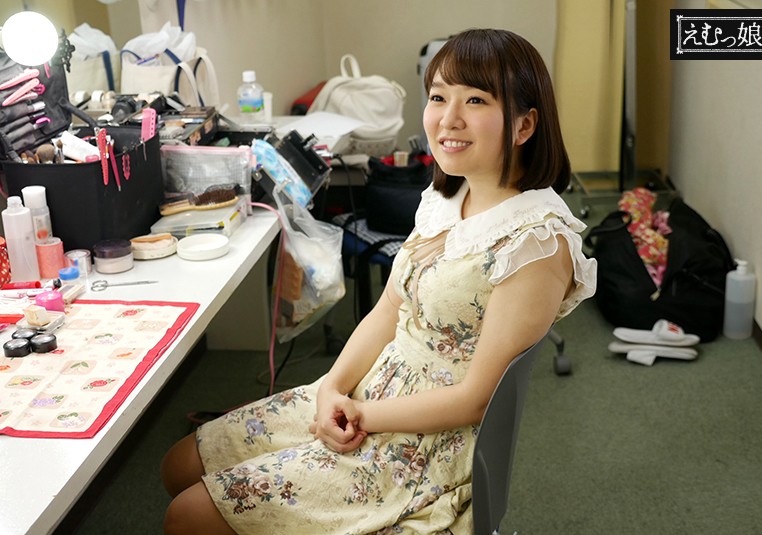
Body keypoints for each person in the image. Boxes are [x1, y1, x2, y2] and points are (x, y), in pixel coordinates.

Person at [161, 28, 597, 535]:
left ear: (524, 125)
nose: (448, 119)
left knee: (187, 516)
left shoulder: (537, 241)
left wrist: (362, 415)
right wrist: (332, 389)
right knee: (179, 464)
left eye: (475, 100)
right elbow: (389, 310)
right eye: (439, 97)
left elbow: (476, 398)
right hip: (371, 388)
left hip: (424, 440)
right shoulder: (447, 199)